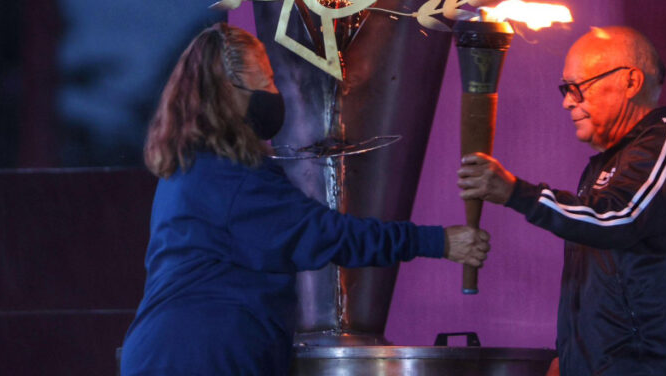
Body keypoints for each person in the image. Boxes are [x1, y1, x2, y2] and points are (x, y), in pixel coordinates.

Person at [120, 22, 490, 376]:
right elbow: (329, 235)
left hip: (167, 352)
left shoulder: (190, 169)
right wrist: (438, 241)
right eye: (266, 81)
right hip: (203, 356)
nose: (274, 92)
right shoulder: (232, 181)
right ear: (230, 92)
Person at [457, 26, 666, 376]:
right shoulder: (606, 165)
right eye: (565, 89)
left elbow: (619, 219)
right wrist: (568, 358)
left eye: (577, 87)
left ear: (630, 81)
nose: (567, 102)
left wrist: (515, 193)